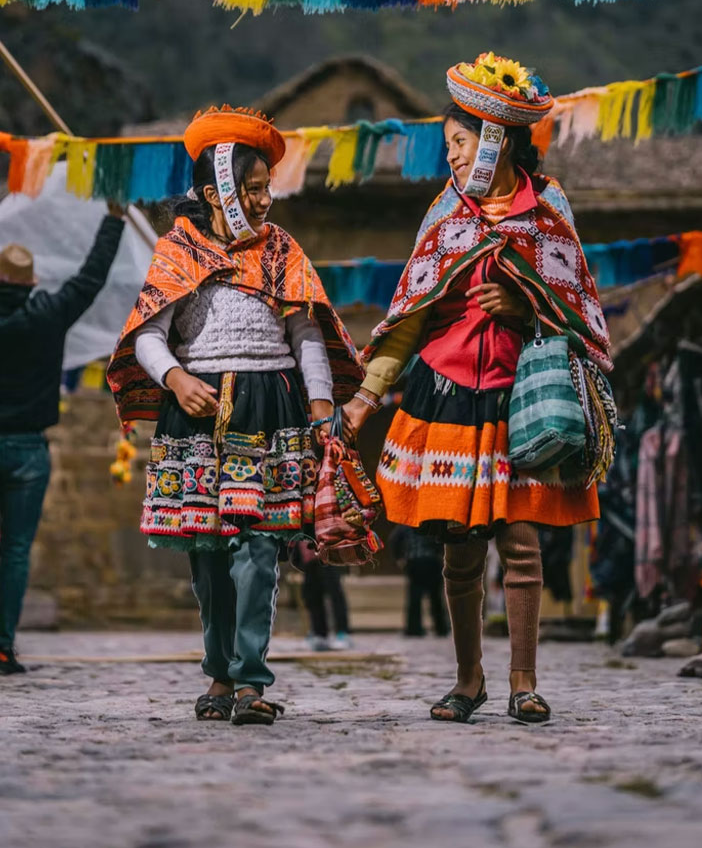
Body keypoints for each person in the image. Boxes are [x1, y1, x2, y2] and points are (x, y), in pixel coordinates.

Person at [343, 52, 613, 725]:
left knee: (521, 544)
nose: (454, 158)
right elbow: (411, 314)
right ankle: (469, 680)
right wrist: (365, 395)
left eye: (461, 144)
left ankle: (525, 681)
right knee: (460, 549)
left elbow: (576, 307)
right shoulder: (445, 214)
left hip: (522, 397)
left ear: (497, 139)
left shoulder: (547, 210)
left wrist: (524, 309)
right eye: (451, 147)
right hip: (448, 394)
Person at [108, 105, 362, 725]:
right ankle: (217, 673)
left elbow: (305, 334)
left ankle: (250, 680)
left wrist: (322, 405)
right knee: (208, 547)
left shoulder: (282, 252)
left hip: (269, 407)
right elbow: (148, 333)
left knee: (259, 546)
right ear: (217, 189)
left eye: (265, 187)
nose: (264, 199)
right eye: (252, 188)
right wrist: (174, 376)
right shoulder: (177, 252)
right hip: (196, 408)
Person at [0, 203, 126, 675]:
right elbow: (91, 278)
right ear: (30, 283)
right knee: (14, 551)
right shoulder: (47, 315)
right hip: (29, 450)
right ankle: (3, 646)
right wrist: (113, 219)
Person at [389, 525, 449, 638]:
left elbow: (394, 539)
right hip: (431, 561)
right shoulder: (431, 523)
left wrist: (399, 557)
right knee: (435, 597)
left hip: (415, 562)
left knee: (415, 597)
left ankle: (414, 628)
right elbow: (441, 540)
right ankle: (441, 627)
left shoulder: (406, 526)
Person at [296, 539, 351, 651]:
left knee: (334, 592)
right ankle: (319, 633)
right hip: (308, 551)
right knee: (312, 594)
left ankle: (342, 633)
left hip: (329, 548)